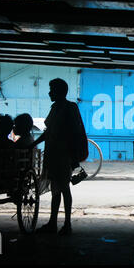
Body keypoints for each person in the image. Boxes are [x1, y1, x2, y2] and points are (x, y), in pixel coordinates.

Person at [30, 78, 86, 235]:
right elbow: (49, 133)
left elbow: (75, 132)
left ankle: (66, 224)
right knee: (57, 189)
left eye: (52, 89)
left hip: (63, 155)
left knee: (63, 188)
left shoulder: (69, 108)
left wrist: (73, 156)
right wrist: (34, 144)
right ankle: (53, 223)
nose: (49, 92)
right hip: (54, 154)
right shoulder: (56, 108)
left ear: (60, 91)